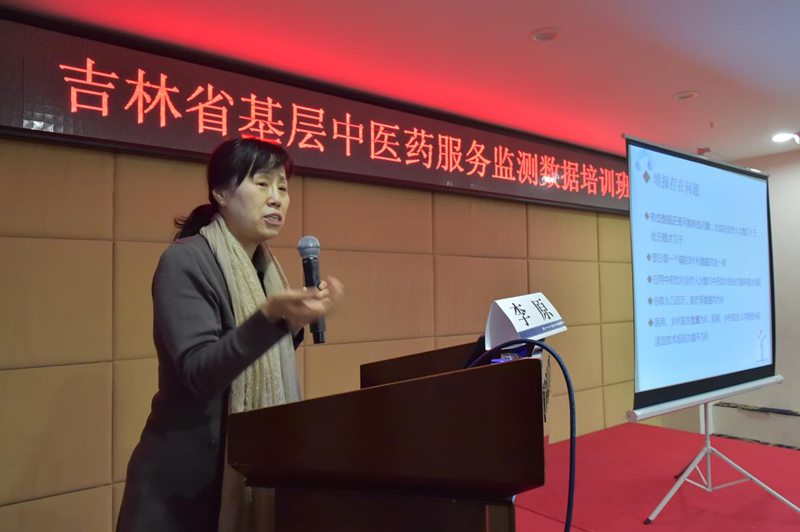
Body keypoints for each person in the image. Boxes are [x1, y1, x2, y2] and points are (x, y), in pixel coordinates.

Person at [116, 138, 343, 532]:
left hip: (248, 468)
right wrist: (270, 318)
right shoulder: (185, 260)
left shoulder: (265, 269)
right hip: (183, 494)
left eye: (283, 187)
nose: (276, 198)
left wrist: (289, 322)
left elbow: (257, 353)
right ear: (220, 193)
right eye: (262, 184)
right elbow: (199, 372)